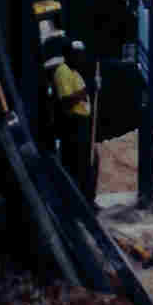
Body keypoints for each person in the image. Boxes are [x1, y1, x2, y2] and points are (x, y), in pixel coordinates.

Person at [52, 39, 93, 201]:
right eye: (77, 55)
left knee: (85, 163)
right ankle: (75, 200)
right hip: (72, 124)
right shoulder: (62, 71)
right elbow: (66, 101)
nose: (80, 58)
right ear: (68, 55)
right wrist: (87, 90)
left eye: (81, 55)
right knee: (74, 164)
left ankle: (85, 199)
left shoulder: (75, 73)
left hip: (82, 123)